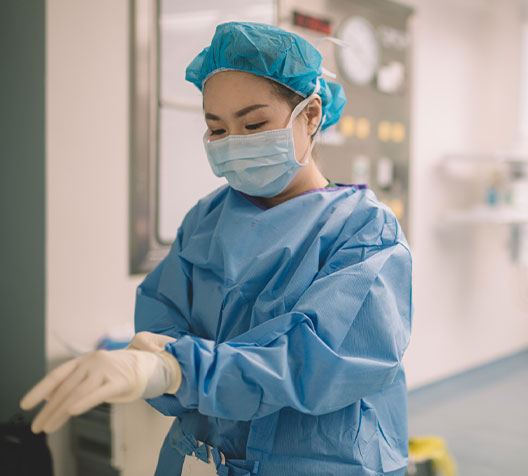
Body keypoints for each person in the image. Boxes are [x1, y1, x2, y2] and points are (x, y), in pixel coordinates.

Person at [20, 22, 412, 476]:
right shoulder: (207, 220)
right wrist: (149, 362)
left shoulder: (365, 230)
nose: (236, 142)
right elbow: (163, 318)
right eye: (218, 129)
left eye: (254, 123)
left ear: (310, 116)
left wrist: (176, 370)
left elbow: (315, 360)